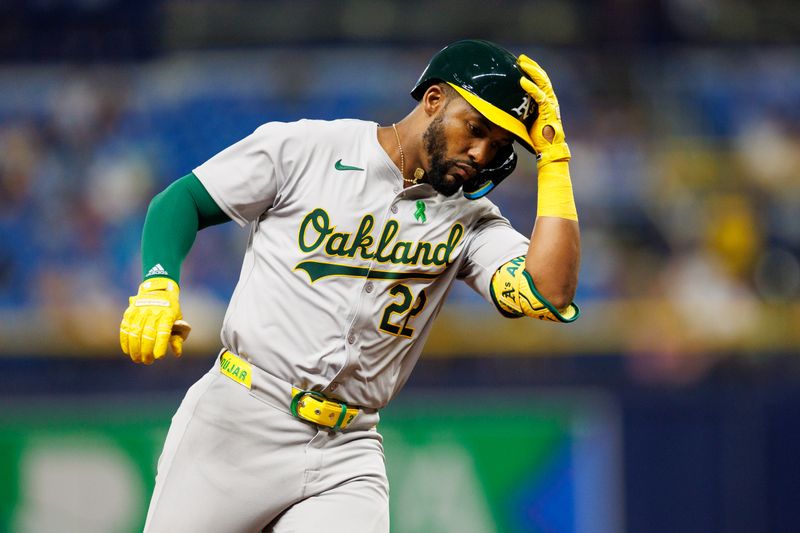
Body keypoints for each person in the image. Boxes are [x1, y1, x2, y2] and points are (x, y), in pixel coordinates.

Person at [119, 39, 580, 533]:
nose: (481, 151)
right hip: (241, 416)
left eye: (500, 145)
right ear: (433, 100)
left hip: (349, 449)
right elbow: (181, 201)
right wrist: (158, 284)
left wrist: (554, 162)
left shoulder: (472, 219)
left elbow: (548, 292)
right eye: (476, 128)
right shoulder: (310, 149)